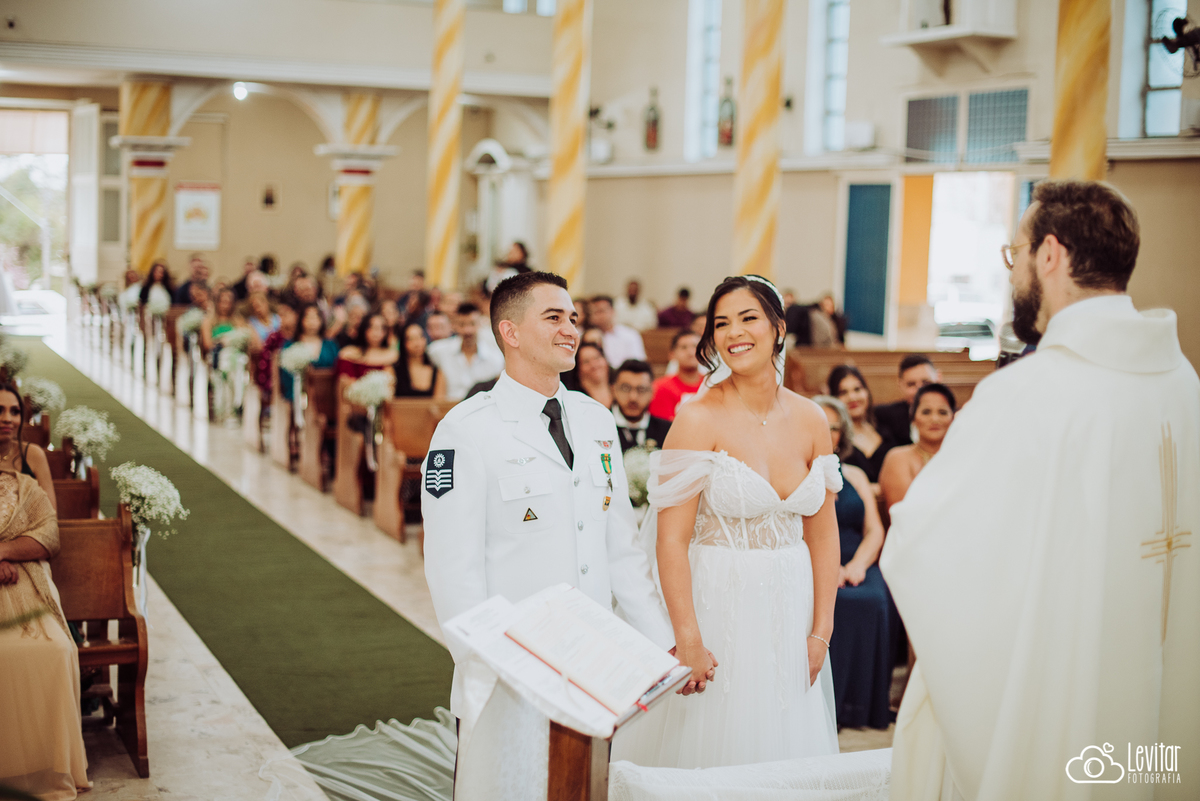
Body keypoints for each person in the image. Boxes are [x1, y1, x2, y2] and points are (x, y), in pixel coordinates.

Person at [881, 180, 1200, 800]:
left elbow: (924, 544)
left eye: (1014, 253)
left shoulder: (1026, 394)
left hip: (1065, 678)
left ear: (1049, 255)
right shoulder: (1184, 382)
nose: (1013, 272)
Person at [422, 271, 673, 789]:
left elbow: (619, 546)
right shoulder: (467, 430)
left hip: (592, 666)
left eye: (574, 319)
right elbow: (453, 570)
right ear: (510, 332)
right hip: (512, 671)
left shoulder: (594, 418)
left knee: (581, 789)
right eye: (554, 317)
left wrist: (660, 644)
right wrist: (490, 664)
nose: (571, 330)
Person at [613, 275, 840, 769]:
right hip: (718, 604)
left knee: (784, 744)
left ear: (778, 328)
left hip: (791, 606)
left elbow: (823, 535)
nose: (734, 332)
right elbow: (670, 542)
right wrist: (688, 638)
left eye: (748, 318)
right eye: (721, 323)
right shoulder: (697, 420)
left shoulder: (811, 419)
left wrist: (820, 631)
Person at [0, 457, 91, 799]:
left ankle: (44, 768)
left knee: (55, 650)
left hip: (26, 584)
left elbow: (49, 536)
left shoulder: (25, 485)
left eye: (12, 412)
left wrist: (4, 551)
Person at [814, 394, 894, 731]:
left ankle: (863, 705)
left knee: (874, 599)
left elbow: (874, 529)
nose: (828, 433)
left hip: (857, 559)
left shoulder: (856, 475)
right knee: (835, 603)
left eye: (834, 427)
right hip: (815, 561)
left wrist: (858, 565)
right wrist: (829, 570)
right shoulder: (794, 473)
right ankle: (826, 707)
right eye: (821, 425)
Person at [879, 383, 956, 511]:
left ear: (952, 418)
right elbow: (903, 513)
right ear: (913, 418)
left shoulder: (962, 457)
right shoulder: (898, 458)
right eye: (926, 412)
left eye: (942, 412)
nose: (935, 419)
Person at [828, 364, 896, 486]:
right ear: (834, 399)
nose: (852, 397)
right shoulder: (835, 439)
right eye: (843, 392)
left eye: (857, 389)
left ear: (866, 392)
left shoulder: (885, 431)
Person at [426, 303, 504, 402]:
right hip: (450, 411)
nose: (468, 330)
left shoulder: (495, 358)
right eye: (462, 324)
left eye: (472, 324)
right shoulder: (440, 352)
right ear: (454, 325)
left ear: (480, 324)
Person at [874, 355, 941, 446]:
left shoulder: (954, 418)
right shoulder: (883, 416)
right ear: (900, 385)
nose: (919, 390)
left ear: (938, 379)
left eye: (926, 382)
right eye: (911, 384)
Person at [278, 303, 339, 403]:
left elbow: (336, 367)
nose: (312, 322)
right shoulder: (291, 345)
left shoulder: (330, 345)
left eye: (315, 318)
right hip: (297, 395)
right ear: (301, 320)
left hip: (325, 396)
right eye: (308, 318)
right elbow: (284, 372)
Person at [612, 359, 670, 452]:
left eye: (641, 389)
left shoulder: (667, 431)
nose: (633, 398)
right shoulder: (601, 427)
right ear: (614, 390)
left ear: (652, 392)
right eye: (626, 388)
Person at [648, 330, 703, 422]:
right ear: (672, 354)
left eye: (695, 346)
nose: (690, 352)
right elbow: (662, 426)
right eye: (683, 347)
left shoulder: (712, 385)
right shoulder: (660, 388)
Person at [337, 311, 399, 379]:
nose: (377, 333)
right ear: (364, 329)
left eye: (382, 328)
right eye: (372, 327)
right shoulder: (349, 353)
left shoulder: (393, 356)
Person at [590, 295, 646, 368]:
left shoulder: (630, 335)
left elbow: (638, 363)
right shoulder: (587, 336)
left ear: (612, 311)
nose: (597, 316)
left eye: (601, 311)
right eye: (594, 312)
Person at [255, 302, 297, 400]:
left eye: (285, 314)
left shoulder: (299, 337)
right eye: (280, 315)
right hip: (276, 380)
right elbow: (265, 363)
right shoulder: (274, 338)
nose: (282, 318)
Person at [393, 323, 446, 398]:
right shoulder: (393, 371)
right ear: (403, 343)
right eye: (411, 339)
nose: (417, 343)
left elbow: (439, 403)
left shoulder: (437, 373)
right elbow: (389, 403)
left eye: (420, 337)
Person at [563, 341, 613, 407]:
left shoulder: (621, 389)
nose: (594, 365)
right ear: (578, 369)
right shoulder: (573, 400)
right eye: (586, 362)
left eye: (597, 358)